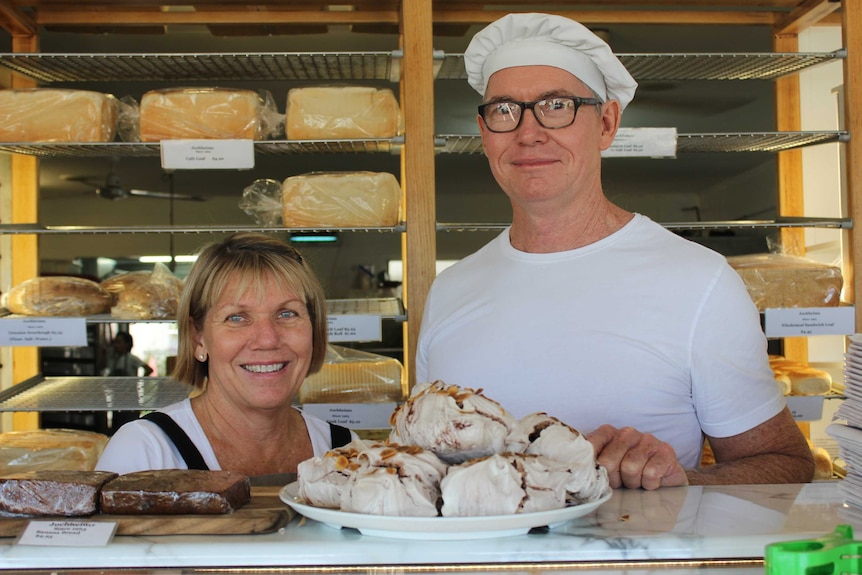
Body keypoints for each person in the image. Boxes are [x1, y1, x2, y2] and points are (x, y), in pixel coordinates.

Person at [415, 12, 814, 489]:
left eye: (556, 105)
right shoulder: (451, 288)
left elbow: (787, 464)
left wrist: (679, 480)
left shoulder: (697, 280)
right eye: (504, 110)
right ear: (484, 134)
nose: (528, 132)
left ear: (606, 123)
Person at [97, 232, 357, 476]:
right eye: (237, 317)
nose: (267, 339)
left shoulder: (347, 452)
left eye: (287, 313)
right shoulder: (146, 452)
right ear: (198, 338)